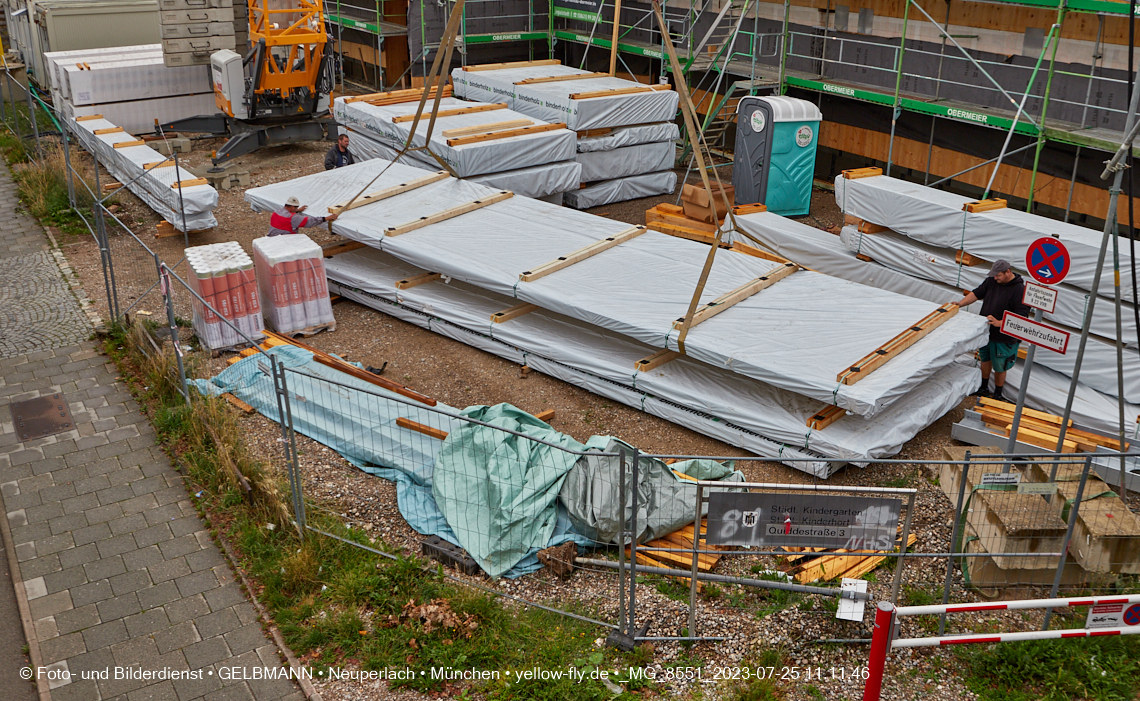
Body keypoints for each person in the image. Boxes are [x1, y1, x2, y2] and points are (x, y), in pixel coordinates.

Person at [954, 260, 1030, 401]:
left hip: (1004, 337)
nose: (995, 278)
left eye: (998, 275)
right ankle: (984, 387)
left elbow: (1021, 316)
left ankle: (998, 394)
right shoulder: (991, 281)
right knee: (985, 358)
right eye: (994, 275)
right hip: (987, 332)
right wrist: (960, 304)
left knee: (1000, 365)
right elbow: (976, 293)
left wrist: (999, 323)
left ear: (1008, 272)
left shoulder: (1020, 290)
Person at [268, 196, 337, 236]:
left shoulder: (276, 212)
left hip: (272, 237)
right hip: (285, 240)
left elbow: (286, 216)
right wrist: (327, 218)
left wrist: (297, 210)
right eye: (295, 208)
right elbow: (310, 222)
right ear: (292, 207)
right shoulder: (293, 218)